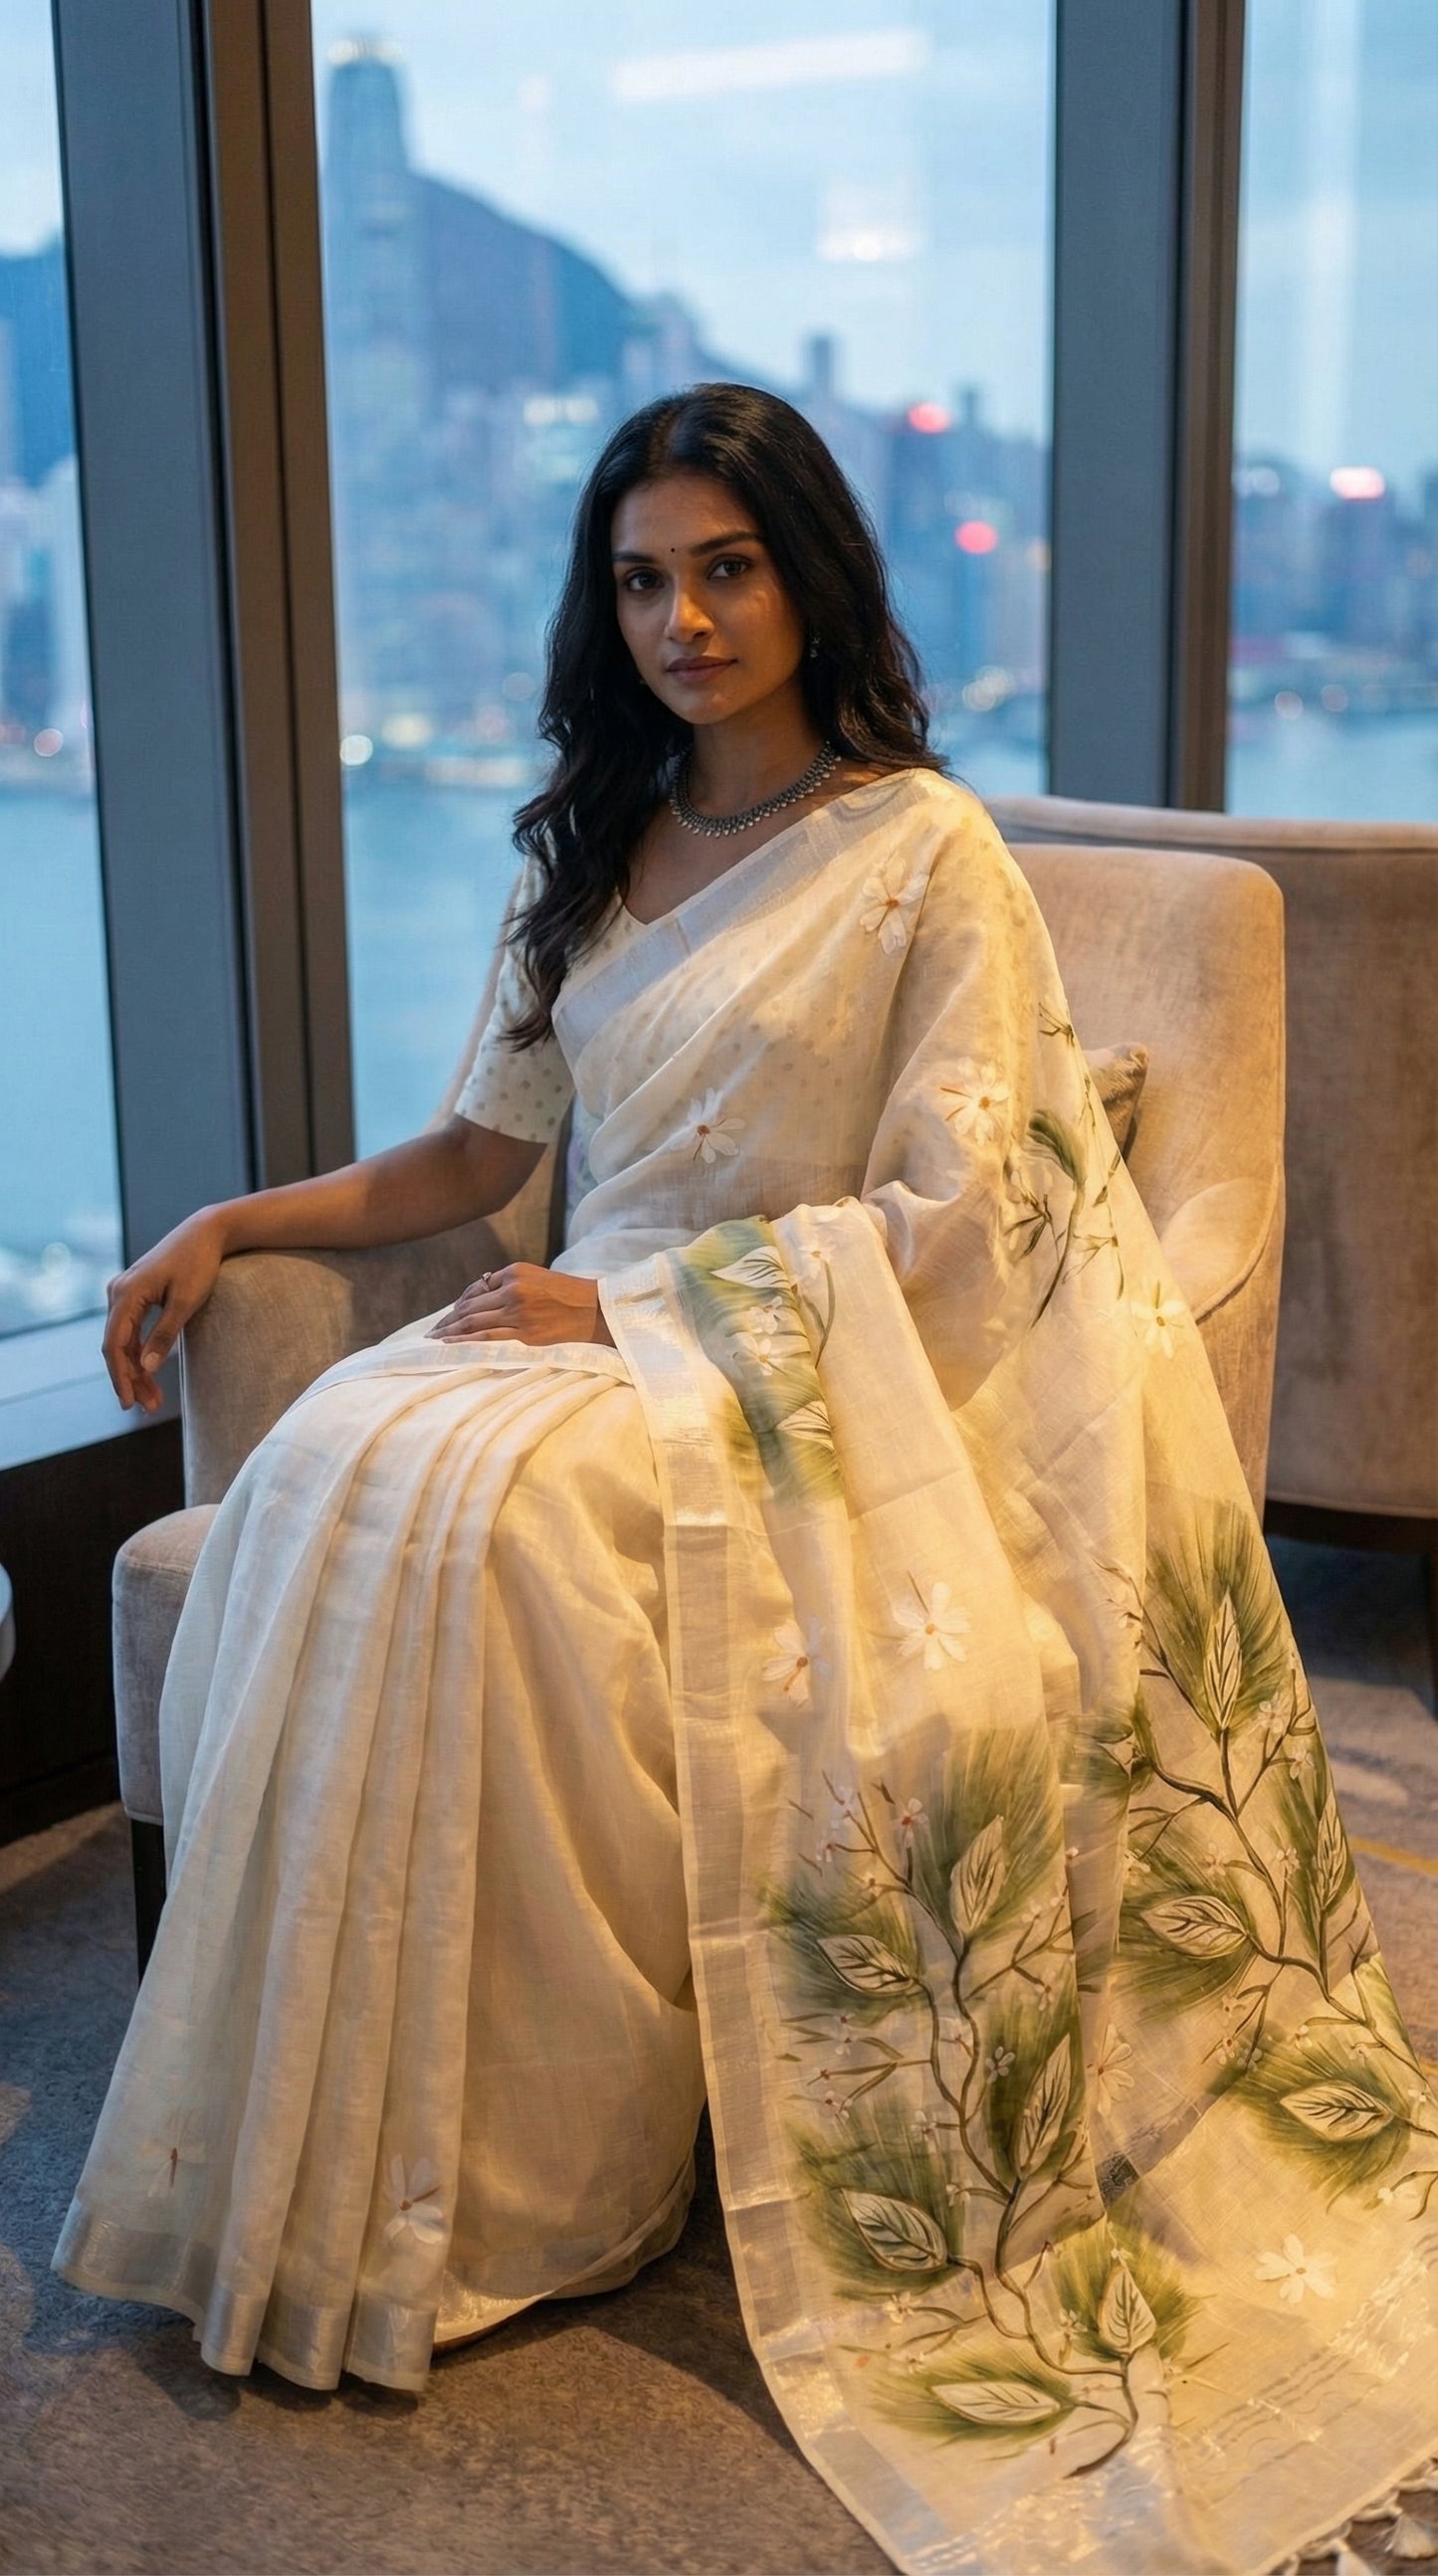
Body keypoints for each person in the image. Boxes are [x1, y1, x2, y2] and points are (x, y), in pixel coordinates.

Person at [57, 386, 1437, 2575]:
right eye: (640, 579)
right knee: (338, 1457)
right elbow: (480, 1164)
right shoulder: (580, 844)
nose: (685, 617)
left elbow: (965, 1224)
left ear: (807, 578)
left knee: (492, 1523)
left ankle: (508, 2189)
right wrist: (239, 1218)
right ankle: (327, 2159)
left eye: (726, 566)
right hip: (577, 1320)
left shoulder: (924, 853)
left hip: (798, 1379)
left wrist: (648, 1320)